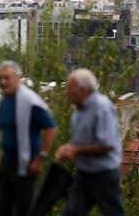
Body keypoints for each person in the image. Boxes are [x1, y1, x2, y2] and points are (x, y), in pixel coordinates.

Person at [0, 61, 58, 216]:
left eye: (7, 78)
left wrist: (40, 158)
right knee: (2, 207)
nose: (3, 82)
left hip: (26, 164)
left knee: (25, 209)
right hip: (7, 162)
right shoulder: (3, 101)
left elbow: (51, 127)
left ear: (18, 78)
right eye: (0, 78)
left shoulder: (30, 101)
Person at [55, 69, 125, 216]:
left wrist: (76, 151)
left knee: (113, 212)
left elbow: (107, 145)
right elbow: (80, 143)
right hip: (84, 174)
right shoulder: (78, 112)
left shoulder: (102, 108)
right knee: (71, 213)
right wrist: (68, 149)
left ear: (82, 89)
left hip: (104, 174)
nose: (66, 92)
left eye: (69, 88)